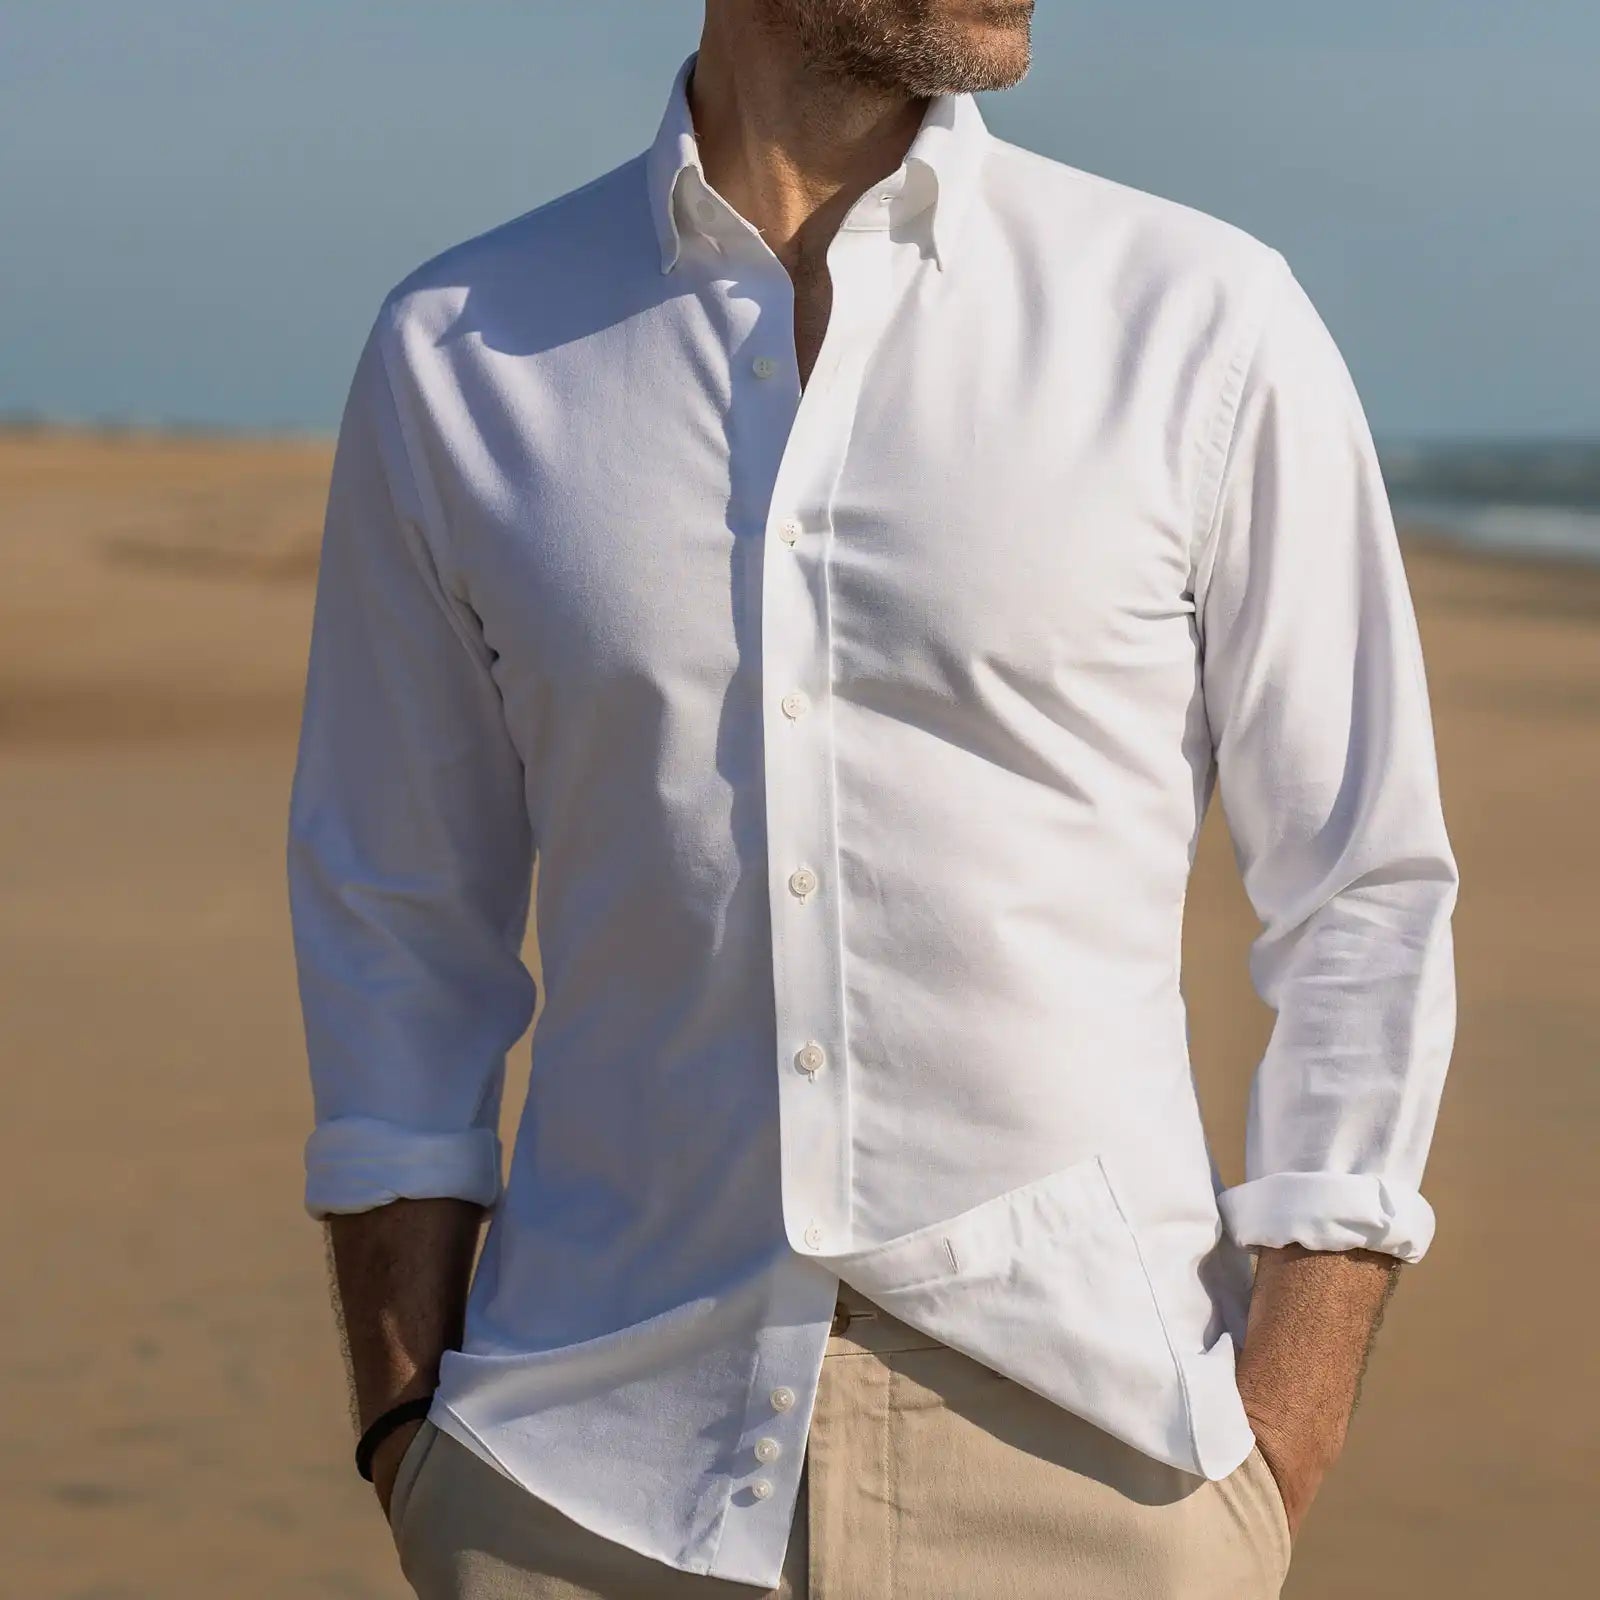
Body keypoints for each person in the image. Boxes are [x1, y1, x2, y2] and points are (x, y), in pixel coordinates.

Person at [285, 2, 1459, 1596]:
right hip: (573, 1464)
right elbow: (397, 915)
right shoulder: (462, 352)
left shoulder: (1200, 321)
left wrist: (1281, 1429)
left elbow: (1364, 892)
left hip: (1097, 1458)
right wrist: (406, 1420)